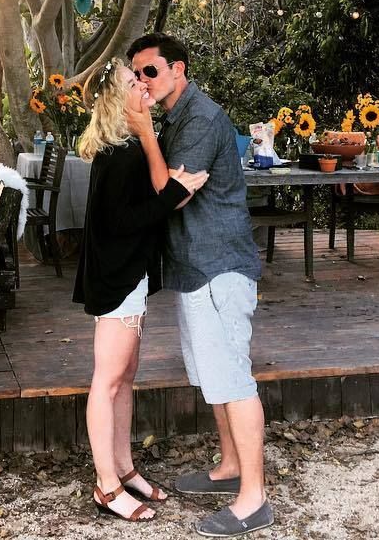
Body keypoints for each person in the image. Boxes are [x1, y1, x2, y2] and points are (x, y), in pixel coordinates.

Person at [127, 32, 272, 538]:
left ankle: (253, 499)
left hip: (218, 266)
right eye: (136, 74)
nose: (142, 81)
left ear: (178, 70)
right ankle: (230, 466)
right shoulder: (175, 117)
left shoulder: (202, 119)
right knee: (215, 377)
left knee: (233, 379)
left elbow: (173, 194)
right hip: (196, 267)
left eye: (150, 71)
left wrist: (144, 132)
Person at [72, 58, 210, 523]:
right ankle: (106, 486)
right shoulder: (119, 154)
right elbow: (121, 222)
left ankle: (124, 468)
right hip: (116, 279)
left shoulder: (129, 146)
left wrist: (170, 188)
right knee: (107, 380)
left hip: (129, 275)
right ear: (118, 98)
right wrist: (174, 193)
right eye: (134, 82)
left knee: (125, 376)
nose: (144, 86)